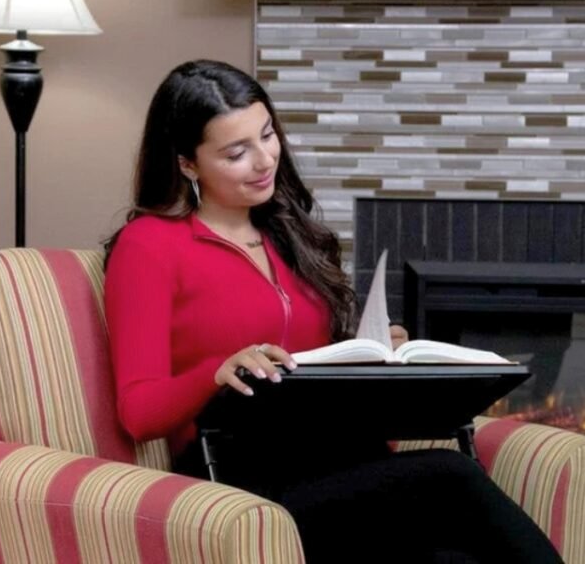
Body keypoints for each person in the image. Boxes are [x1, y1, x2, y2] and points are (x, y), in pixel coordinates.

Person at [104, 59, 563, 563]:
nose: (264, 161)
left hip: (338, 458)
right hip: (242, 479)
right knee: (450, 474)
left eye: (267, 135)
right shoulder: (148, 245)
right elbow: (138, 411)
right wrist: (216, 373)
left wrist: (376, 353)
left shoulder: (287, 235)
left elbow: (314, 365)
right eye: (237, 152)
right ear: (188, 164)